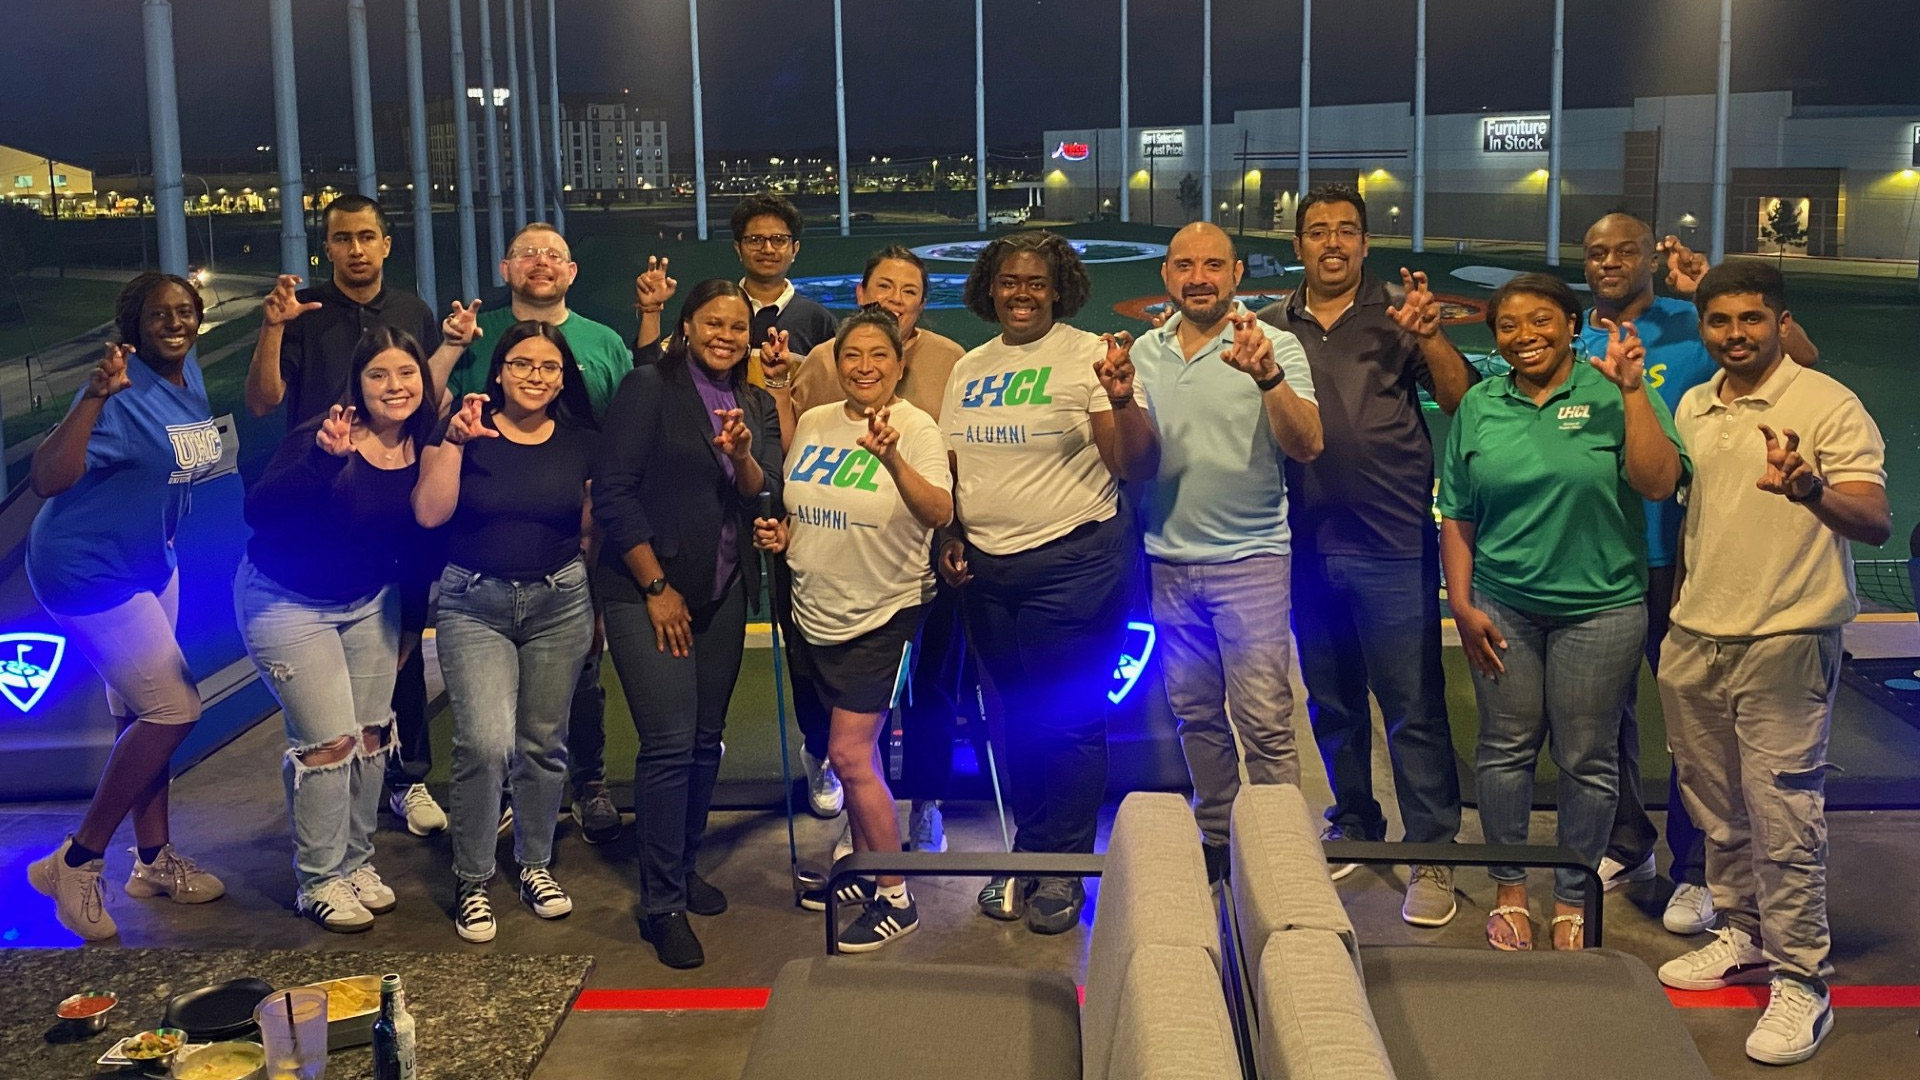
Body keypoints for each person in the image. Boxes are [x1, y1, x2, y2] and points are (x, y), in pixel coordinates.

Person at [1655, 262, 1886, 1066]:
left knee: (1784, 815)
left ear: (1781, 323)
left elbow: (1877, 521)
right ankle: (1743, 932)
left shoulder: (1827, 405)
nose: (1735, 335)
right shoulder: (1694, 404)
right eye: (1719, 322)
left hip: (1788, 638)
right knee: (1718, 809)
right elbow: (1702, 522)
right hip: (1696, 638)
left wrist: (1811, 489)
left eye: (1752, 320)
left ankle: (1803, 979)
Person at [1578, 214, 1822, 936]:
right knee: (1603, 720)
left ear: (1652, 255)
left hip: (1678, 559)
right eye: (1597, 253)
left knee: (1696, 731)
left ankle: (1696, 870)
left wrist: (1708, 284)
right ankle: (1629, 845)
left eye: (1626, 249)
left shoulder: (1698, 320)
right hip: (1600, 558)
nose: (1611, 261)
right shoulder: (1576, 331)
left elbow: (1804, 358)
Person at [1439, 273, 1687, 952]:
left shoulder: (1615, 391)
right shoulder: (1481, 404)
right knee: (1504, 750)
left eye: (1542, 321)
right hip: (1502, 605)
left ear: (1572, 326)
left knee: (1587, 757)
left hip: (1601, 610)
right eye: (1509, 326)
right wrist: (1461, 603)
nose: (1526, 337)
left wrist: (1633, 392)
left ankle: (1575, 895)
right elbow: (1457, 512)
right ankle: (1512, 890)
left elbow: (1658, 481)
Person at [1257, 184, 1474, 927]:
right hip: (1306, 546)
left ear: (1366, 242)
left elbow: (1460, 402)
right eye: (1317, 231)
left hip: (1390, 541)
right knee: (1334, 701)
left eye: (1346, 230)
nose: (1332, 243)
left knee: (1412, 705)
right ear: (1297, 246)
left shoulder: (1397, 313)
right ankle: (1355, 821)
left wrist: (1433, 337)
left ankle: (1434, 850)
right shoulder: (1273, 323)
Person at [243, 192, 479, 840]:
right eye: (342, 238)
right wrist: (273, 327)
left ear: (385, 243)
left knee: (394, 654)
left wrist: (452, 347)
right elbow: (263, 400)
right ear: (328, 246)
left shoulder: (410, 310)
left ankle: (405, 783)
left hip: (387, 497)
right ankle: (329, 848)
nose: (355, 248)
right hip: (321, 492)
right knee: (332, 711)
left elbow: (420, 392)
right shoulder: (303, 312)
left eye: (366, 236)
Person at [940, 230, 1156, 934]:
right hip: (989, 574)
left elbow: (1135, 465)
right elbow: (955, 468)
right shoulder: (969, 368)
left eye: (1036, 281)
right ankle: (1028, 850)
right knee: (1014, 719)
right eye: (1010, 280)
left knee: (1067, 721)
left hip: (1073, 568)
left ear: (1058, 287)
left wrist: (1123, 401)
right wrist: (952, 535)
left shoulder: (1089, 356)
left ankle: (1065, 868)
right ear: (990, 287)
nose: (1022, 292)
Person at [25, 273, 228, 941]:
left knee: (138, 719)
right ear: (132, 326)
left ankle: (152, 860)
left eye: (184, 311)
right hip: (86, 570)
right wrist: (89, 397)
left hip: (148, 561)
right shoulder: (116, 391)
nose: (174, 322)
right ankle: (76, 862)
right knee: (176, 708)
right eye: (158, 315)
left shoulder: (186, 371)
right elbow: (47, 478)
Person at [593, 280, 784, 969]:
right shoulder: (650, 387)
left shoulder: (755, 401)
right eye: (714, 323)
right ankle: (661, 902)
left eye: (738, 326)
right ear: (688, 325)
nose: (727, 335)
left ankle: (681, 862)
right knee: (670, 743)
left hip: (723, 589)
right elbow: (613, 492)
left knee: (706, 740)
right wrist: (655, 586)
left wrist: (739, 453)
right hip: (649, 588)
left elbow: (763, 490)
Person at [753, 307, 954, 951]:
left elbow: (938, 511)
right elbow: (802, 498)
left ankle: (897, 896)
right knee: (853, 753)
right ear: (836, 364)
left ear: (899, 365)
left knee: (848, 756)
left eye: (878, 356)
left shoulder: (915, 428)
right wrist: (784, 533)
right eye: (851, 356)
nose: (863, 367)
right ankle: (867, 871)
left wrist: (894, 460)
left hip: (882, 613)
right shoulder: (815, 421)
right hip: (814, 608)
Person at [634, 196, 841, 820]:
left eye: (780, 238)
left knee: (800, 639)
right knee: (682, 715)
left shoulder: (817, 318)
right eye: (756, 238)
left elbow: (823, 407)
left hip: (782, 504)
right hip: (699, 520)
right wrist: (650, 312)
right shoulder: (692, 337)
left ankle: (820, 753)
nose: (768, 247)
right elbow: (652, 380)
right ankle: (697, 764)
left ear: (795, 249)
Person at [1130, 223, 1321, 884]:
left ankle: (1282, 855)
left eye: (1213, 265)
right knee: (1195, 715)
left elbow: (1307, 444)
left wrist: (1268, 377)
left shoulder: (1275, 345)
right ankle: (1217, 833)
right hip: (1168, 561)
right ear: (1167, 275)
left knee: (1266, 722)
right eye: (1185, 264)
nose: (1199, 277)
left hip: (1252, 563)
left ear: (1237, 274)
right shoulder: (1144, 352)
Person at [235, 326, 439, 932]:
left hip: (371, 602)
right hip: (286, 601)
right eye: (378, 375)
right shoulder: (325, 434)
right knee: (327, 742)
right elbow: (261, 512)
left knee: (373, 735)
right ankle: (319, 879)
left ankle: (356, 863)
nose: (394, 386)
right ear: (358, 383)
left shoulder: (423, 445)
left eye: (406, 373)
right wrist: (325, 461)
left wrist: (410, 626)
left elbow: (422, 548)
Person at [442, 222, 634, 847]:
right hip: (486, 549)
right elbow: (426, 408)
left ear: (572, 272)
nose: (541, 264)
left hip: (570, 541)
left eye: (554, 255)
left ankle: (589, 784)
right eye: (528, 254)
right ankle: (497, 811)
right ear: (506, 268)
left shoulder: (603, 342)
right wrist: (448, 349)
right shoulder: (478, 336)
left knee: (578, 685)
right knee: (491, 726)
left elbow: (618, 445)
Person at [777, 246, 970, 858]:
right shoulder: (820, 396)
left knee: (899, 718)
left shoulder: (937, 383)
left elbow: (942, 498)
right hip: (823, 595)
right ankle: (870, 834)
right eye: (881, 286)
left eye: (908, 289)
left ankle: (907, 836)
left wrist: (895, 461)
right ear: (860, 295)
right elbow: (797, 469)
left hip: (898, 589)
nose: (893, 298)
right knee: (849, 743)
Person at [416, 321, 601, 944]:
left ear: (562, 378)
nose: (535, 377)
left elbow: (588, 526)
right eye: (522, 364)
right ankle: (473, 878)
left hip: (559, 602)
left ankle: (534, 864)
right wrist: (455, 444)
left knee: (544, 744)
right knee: (486, 744)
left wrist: (595, 604)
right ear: (499, 371)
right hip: (474, 602)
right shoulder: (467, 426)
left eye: (548, 368)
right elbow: (429, 512)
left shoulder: (579, 441)